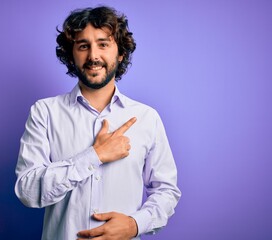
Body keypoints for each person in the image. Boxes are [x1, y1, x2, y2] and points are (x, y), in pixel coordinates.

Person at [14, 6, 181, 240]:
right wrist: (95, 155)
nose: (93, 56)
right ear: (71, 54)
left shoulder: (147, 118)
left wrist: (135, 224)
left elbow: (166, 190)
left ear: (120, 52)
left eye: (103, 44)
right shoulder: (45, 112)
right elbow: (28, 191)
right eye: (83, 46)